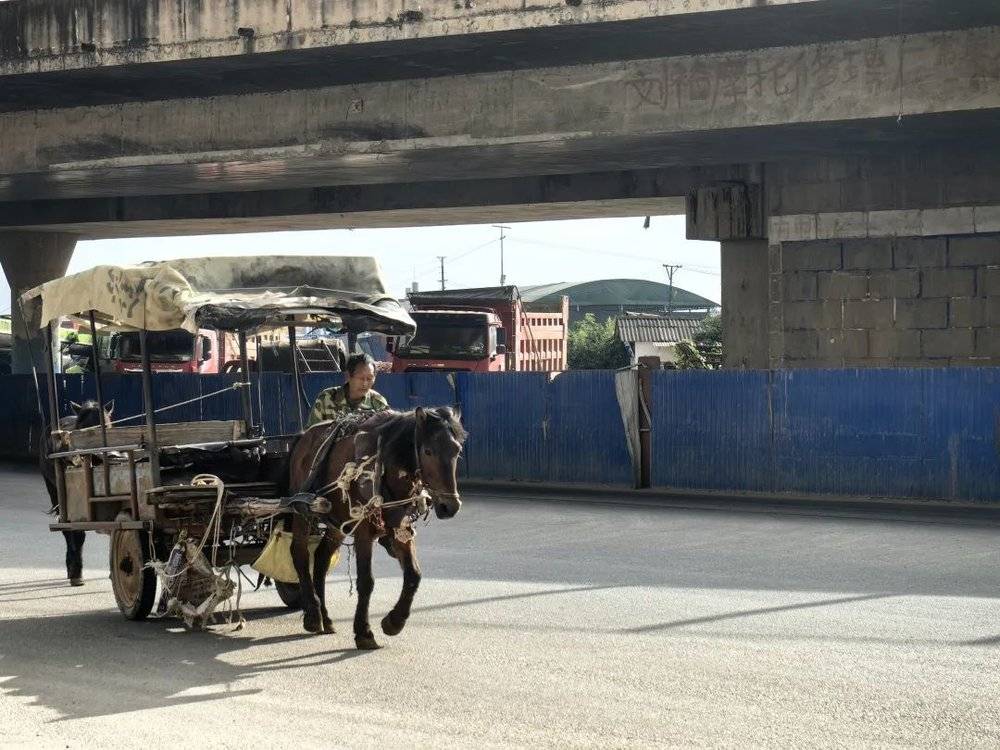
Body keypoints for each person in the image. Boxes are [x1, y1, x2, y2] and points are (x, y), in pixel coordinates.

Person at [306, 353, 389, 428]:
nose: (365, 383)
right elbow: (310, 435)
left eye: (369, 378)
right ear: (348, 376)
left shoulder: (378, 403)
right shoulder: (327, 398)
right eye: (360, 378)